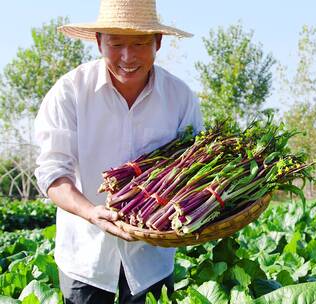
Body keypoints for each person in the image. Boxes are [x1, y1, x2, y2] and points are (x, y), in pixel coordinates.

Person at [33, 0, 203, 303]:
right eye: (116, 43)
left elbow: (194, 170)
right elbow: (52, 172)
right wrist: (90, 212)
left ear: (158, 43)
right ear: (99, 41)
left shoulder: (180, 98)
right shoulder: (69, 92)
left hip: (152, 259)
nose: (128, 56)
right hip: (85, 259)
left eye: (139, 43)